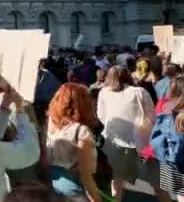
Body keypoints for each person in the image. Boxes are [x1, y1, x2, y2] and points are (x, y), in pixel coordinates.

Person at [97, 66, 155, 202]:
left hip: (113, 138)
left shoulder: (103, 92)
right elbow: (151, 115)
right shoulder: (139, 92)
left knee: (117, 175)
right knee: (146, 175)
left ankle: (118, 198)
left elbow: (101, 115)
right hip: (136, 140)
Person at [45, 83, 101, 201]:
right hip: (75, 189)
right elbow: (86, 177)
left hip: (54, 182)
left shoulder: (51, 122)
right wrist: (96, 199)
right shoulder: (81, 131)